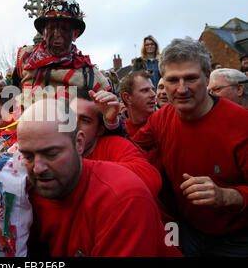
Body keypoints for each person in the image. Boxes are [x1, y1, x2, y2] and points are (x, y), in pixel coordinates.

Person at [18, 98, 181, 257]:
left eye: (51, 154)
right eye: (27, 156)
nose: (38, 168)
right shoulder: (23, 195)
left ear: (79, 142)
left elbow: (150, 177)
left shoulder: (124, 199)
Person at [132, 37, 248, 256]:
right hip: (188, 233)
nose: (182, 89)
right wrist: (109, 123)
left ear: (206, 78)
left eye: (191, 78)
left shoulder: (242, 124)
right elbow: (131, 149)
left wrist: (226, 196)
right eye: (173, 80)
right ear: (163, 81)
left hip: (237, 240)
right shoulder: (160, 119)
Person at [0, 0, 109, 103]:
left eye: (64, 28)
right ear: (44, 33)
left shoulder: (89, 75)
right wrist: (0, 90)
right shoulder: (25, 58)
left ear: (75, 34)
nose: (56, 34)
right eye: (51, 28)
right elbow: (13, 92)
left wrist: (111, 121)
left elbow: (109, 112)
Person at [70, 89, 162, 198]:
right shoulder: (49, 147)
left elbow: (151, 180)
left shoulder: (114, 145)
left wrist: (80, 169)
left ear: (100, 130)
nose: (74, 125)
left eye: (85, 120)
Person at [119, 70, 157, 137]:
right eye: (145, 90)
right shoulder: (120, 131)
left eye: (153, 89)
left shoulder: (165, 122)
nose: (153, 94)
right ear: (127, 98)